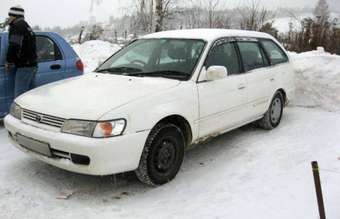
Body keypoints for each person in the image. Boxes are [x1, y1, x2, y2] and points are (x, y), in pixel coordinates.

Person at [5, 5, 37, 98]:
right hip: (31, 65)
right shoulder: (26, 25)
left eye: (10, 15)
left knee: (20, 98)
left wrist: (9, 61)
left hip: (24, 66)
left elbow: (14, 45)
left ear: (14, 16)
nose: (8, 18)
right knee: (31, 96)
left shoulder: (17, 27)